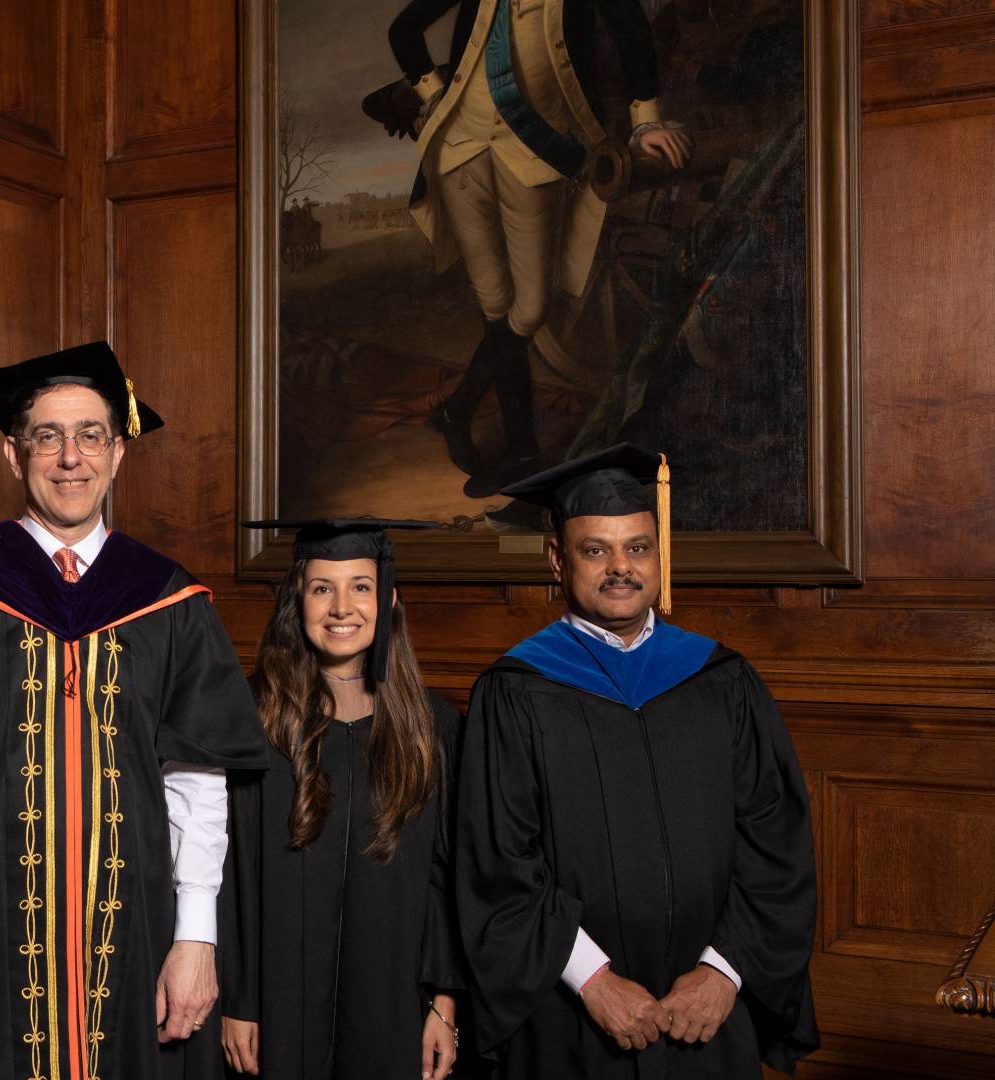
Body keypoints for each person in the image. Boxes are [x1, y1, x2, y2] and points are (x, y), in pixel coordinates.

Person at [0, 342, 269, 1079]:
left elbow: (197, 781)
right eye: (48, 436)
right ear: (12, 453)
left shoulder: (168, 598)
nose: (71, 458)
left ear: (118, 453)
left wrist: (196, 938)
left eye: (91, 435)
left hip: (135, 930)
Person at [455, 444, 818, 1077]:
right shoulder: (515, 690)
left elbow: (776, 841)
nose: (620, 567)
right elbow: (498, 862)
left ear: (658, 555)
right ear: (557, 560)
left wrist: (723, 971)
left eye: (637, 548)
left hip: (705, 1013)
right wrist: (592, 979)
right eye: (595, 550)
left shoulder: (721, 679)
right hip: (572, 1016)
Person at [380, 0, 693, 491]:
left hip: (538, 150)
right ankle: (523, 455)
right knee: (494, 302)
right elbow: (404, 29)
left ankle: (457, 409)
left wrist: (646, 123)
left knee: (529, 310)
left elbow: (630, 28)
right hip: (460, 150)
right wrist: (435, 95)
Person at [217, 518, 470, 1080]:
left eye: (360, 586)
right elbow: (229, 874)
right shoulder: (255, 722)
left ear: (389, 600)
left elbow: (445, 878)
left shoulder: (432, 727)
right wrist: (238, 998)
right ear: (297, 600)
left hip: (396, 1002)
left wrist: (443, 1002)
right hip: (274, 1006)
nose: (341, 608)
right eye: (321, 588)